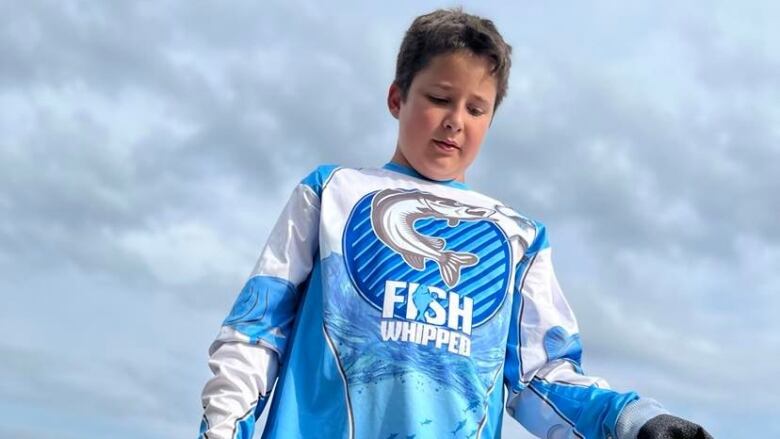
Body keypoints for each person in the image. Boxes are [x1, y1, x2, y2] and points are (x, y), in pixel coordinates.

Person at [198, 8, 712, 439]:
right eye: (439, 99)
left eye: (476, 108)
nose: (455, 120)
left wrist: (638, 419)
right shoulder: (331, 191)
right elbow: (255, 332)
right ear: (397, 98)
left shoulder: (519, 236)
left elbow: (541, 376)